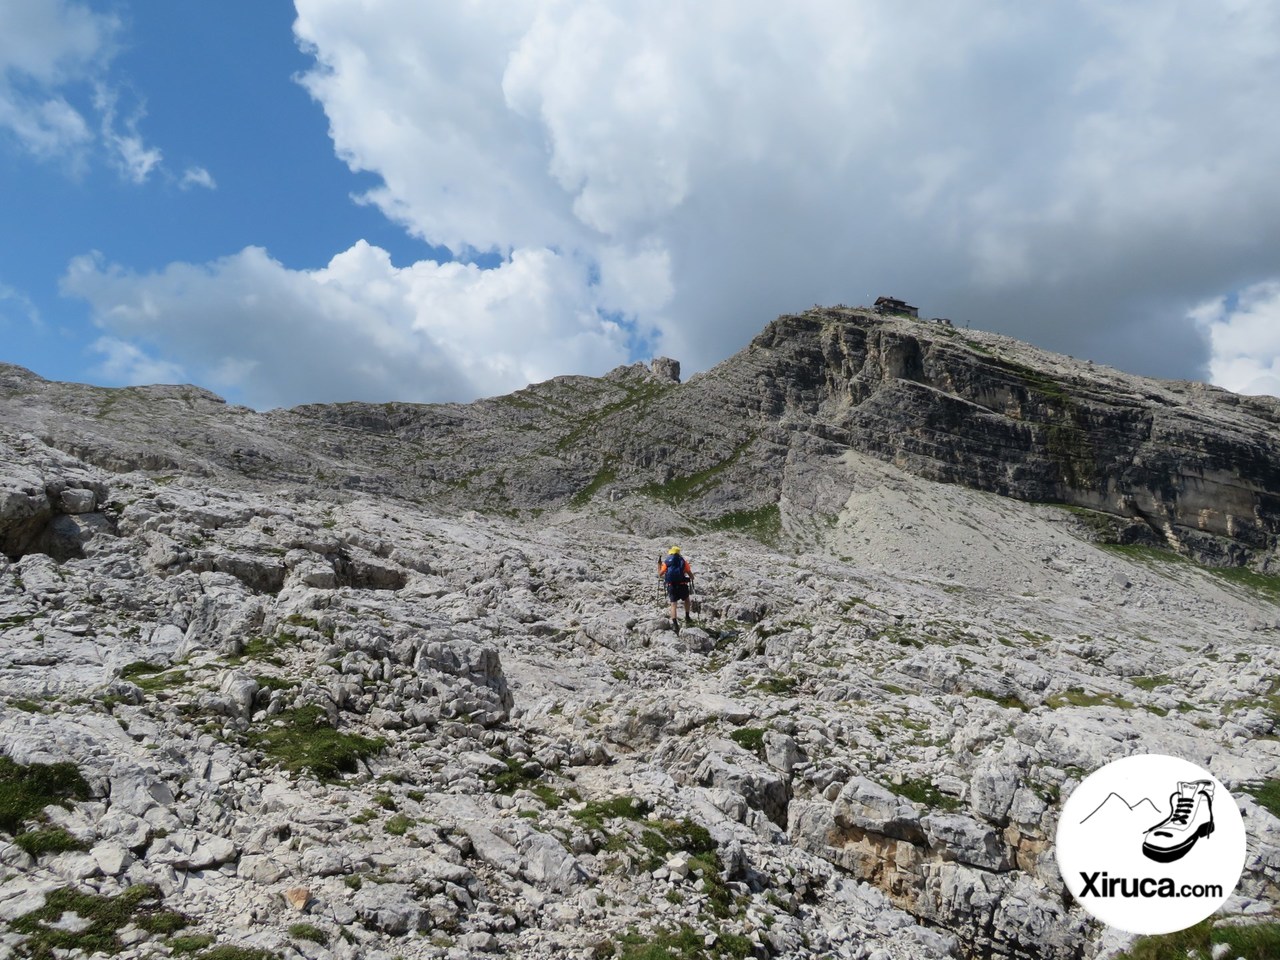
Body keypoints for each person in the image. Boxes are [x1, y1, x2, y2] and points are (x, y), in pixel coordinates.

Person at [658, 546, 694, 630]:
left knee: (673, 604)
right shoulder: (683, 561)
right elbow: (689, 573)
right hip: (682, 585)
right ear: (678, 553)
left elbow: (660, 574)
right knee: (687, 600)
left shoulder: (667, 562)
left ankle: (675, 624)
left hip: (672, 586)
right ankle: (687, 616)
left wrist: (659, 565)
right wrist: (691, 577)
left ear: (671, 553)